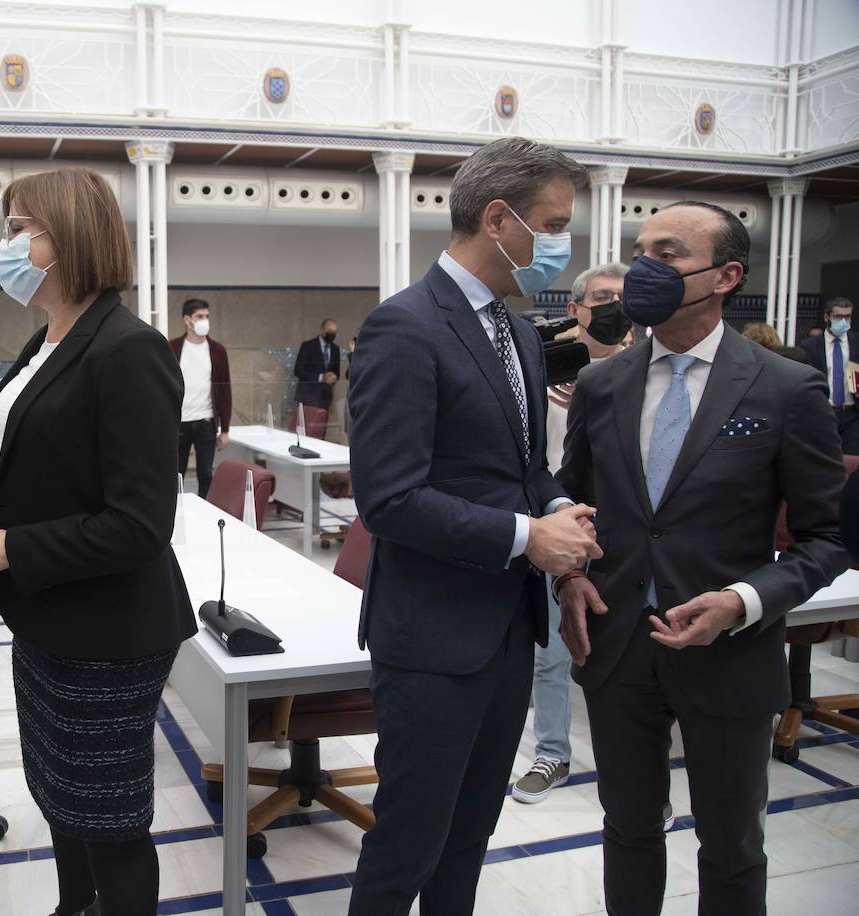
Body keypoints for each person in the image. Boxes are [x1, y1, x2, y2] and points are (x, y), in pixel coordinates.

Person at [557, 201, 848, 916]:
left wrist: (744, 601)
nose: (643, 270)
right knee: (627, 829)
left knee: (731, 845)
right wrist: (567, 574)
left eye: (667, 253)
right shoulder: (602, 385)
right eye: (639, 251)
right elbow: (569, 506)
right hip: (617, 645)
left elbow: (827, 539)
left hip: (730, 652)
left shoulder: (785, 387)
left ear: (727, 275)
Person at [347, 136, 601, 915]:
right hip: (431, 639)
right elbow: (388, 499)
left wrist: (557, 512)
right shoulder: (405, 327)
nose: (561, 244)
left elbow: (521, 470)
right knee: (408, 849)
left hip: (504, 632)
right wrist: (528, 538)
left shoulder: (517, 332)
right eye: (553, 225)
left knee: (466, 842)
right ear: (498, 219)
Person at [0, 167, 195, 916]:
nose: (9, 242)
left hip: (108, 631)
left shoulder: (129, 350)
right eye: (8, 227)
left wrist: (11, 547)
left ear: (73, 235)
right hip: (49, 617)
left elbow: (141, 524)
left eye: (22, 227)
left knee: (109, 819)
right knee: (61, 796)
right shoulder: (49, 339)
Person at [514, 262, 632, 806]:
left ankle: (638, 770)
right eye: (603, 297)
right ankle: (553, 752)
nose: (613, 307)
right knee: (551, 652)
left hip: (625, 534)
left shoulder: (645, 374)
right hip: (557, 527)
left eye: (622, 298)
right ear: (575, 308)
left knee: (629, 652)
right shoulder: (542, 373)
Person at [170, 298, 233, 498]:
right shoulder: (173, 348)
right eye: (200, 316)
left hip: (206, 421)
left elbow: (224, 391)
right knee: (176, 473)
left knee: (205, 473)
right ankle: (175, 512)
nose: (205, 320)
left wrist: (225, 429)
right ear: (187, 320)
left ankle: (205, 508)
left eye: (207, 316)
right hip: (180, 421)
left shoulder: (218, 351)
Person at [801, 296, 859, 453]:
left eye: (847, 316)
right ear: (827, 317)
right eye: (838, 316)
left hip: (852, 412)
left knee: (852, 459)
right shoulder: (810, 346)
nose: (843, 321)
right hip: (823, 411)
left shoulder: (856, 342)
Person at [294, 318, 342, 415]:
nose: (332, 334)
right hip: (307, 397)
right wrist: (321, 377)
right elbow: (298, 371)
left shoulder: (335, 349)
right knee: (307, 428)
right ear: (321, 330)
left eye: (334, 332)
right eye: (329, 331)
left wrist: (333, 377)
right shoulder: (308, 346)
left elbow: (336, 372)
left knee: (321, 428)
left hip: (325, 397)